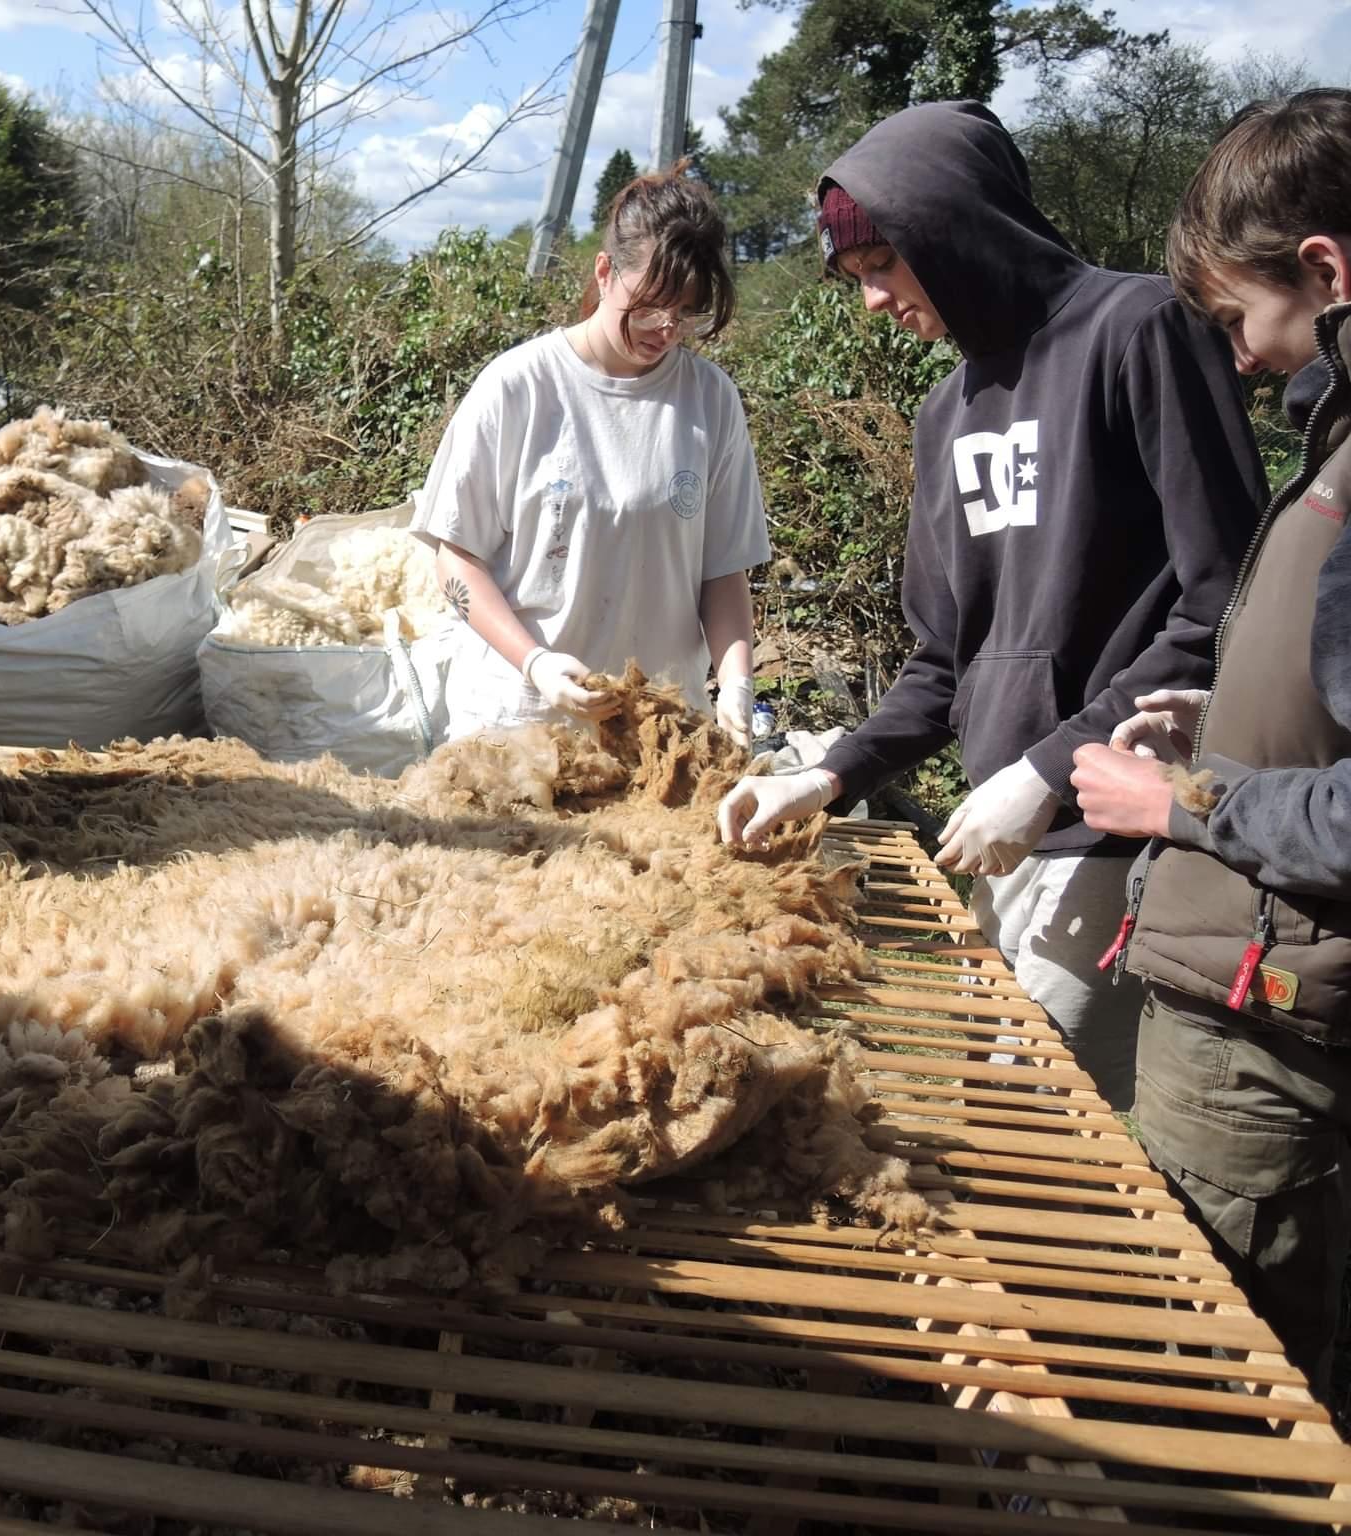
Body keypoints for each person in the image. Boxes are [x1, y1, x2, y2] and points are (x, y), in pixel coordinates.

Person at [713, 101, 1266, 1114]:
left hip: (1118, 834)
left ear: (948, 226)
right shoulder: (948, 408)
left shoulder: (1136, 328)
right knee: (992, 1110)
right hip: (1002, 837)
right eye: (854, 279)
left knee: (1048, 1146)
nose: (872, 300)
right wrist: (824, 778)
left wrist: (1047, 769)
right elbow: (943, 659)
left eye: (881, 264)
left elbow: (1226, 604)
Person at [1067, 89, 1351, 1397]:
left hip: (1272, 1040)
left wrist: (1181, 795)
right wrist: (1220, 720)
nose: (1235, 358)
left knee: (1201, 1388)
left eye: (1239, 319)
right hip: (1251, 1007)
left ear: (1325, 270)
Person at [410, 165, 766, 746]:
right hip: (518, 728)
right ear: (606, 273)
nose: (668, 327)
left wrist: (735, 686)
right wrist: (536, 664)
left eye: (688, 311)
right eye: (651, 305)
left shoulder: (709, 399)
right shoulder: (519, 387)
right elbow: (456, 559)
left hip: (659, 732)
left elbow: (722, 570)